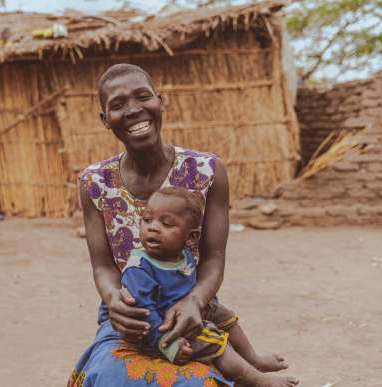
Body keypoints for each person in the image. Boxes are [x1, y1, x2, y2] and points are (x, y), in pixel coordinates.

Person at [69, 63, 291, 387]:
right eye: (117, 105)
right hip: (130, 316)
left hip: (189, 306)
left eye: (143, 97)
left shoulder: (207, 171)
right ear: (105, 119)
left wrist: (195, 301)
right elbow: (102, 265)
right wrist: (114, 298)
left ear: (161, 102)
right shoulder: (94, 183)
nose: (133, 110)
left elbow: (213, 259)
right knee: (107, 376)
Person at [120, 186, 298, 386]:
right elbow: (144, 313)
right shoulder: (138, 268)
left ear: (191, 238)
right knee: (215, 342)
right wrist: (169, 345)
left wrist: (202, 305)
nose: (153, 227)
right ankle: (257, 381)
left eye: (166, 223)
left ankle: (252, 358)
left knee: (222, 313)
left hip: (186, 311)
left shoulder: (181, 255)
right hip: (162, 329)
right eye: (147, 220)